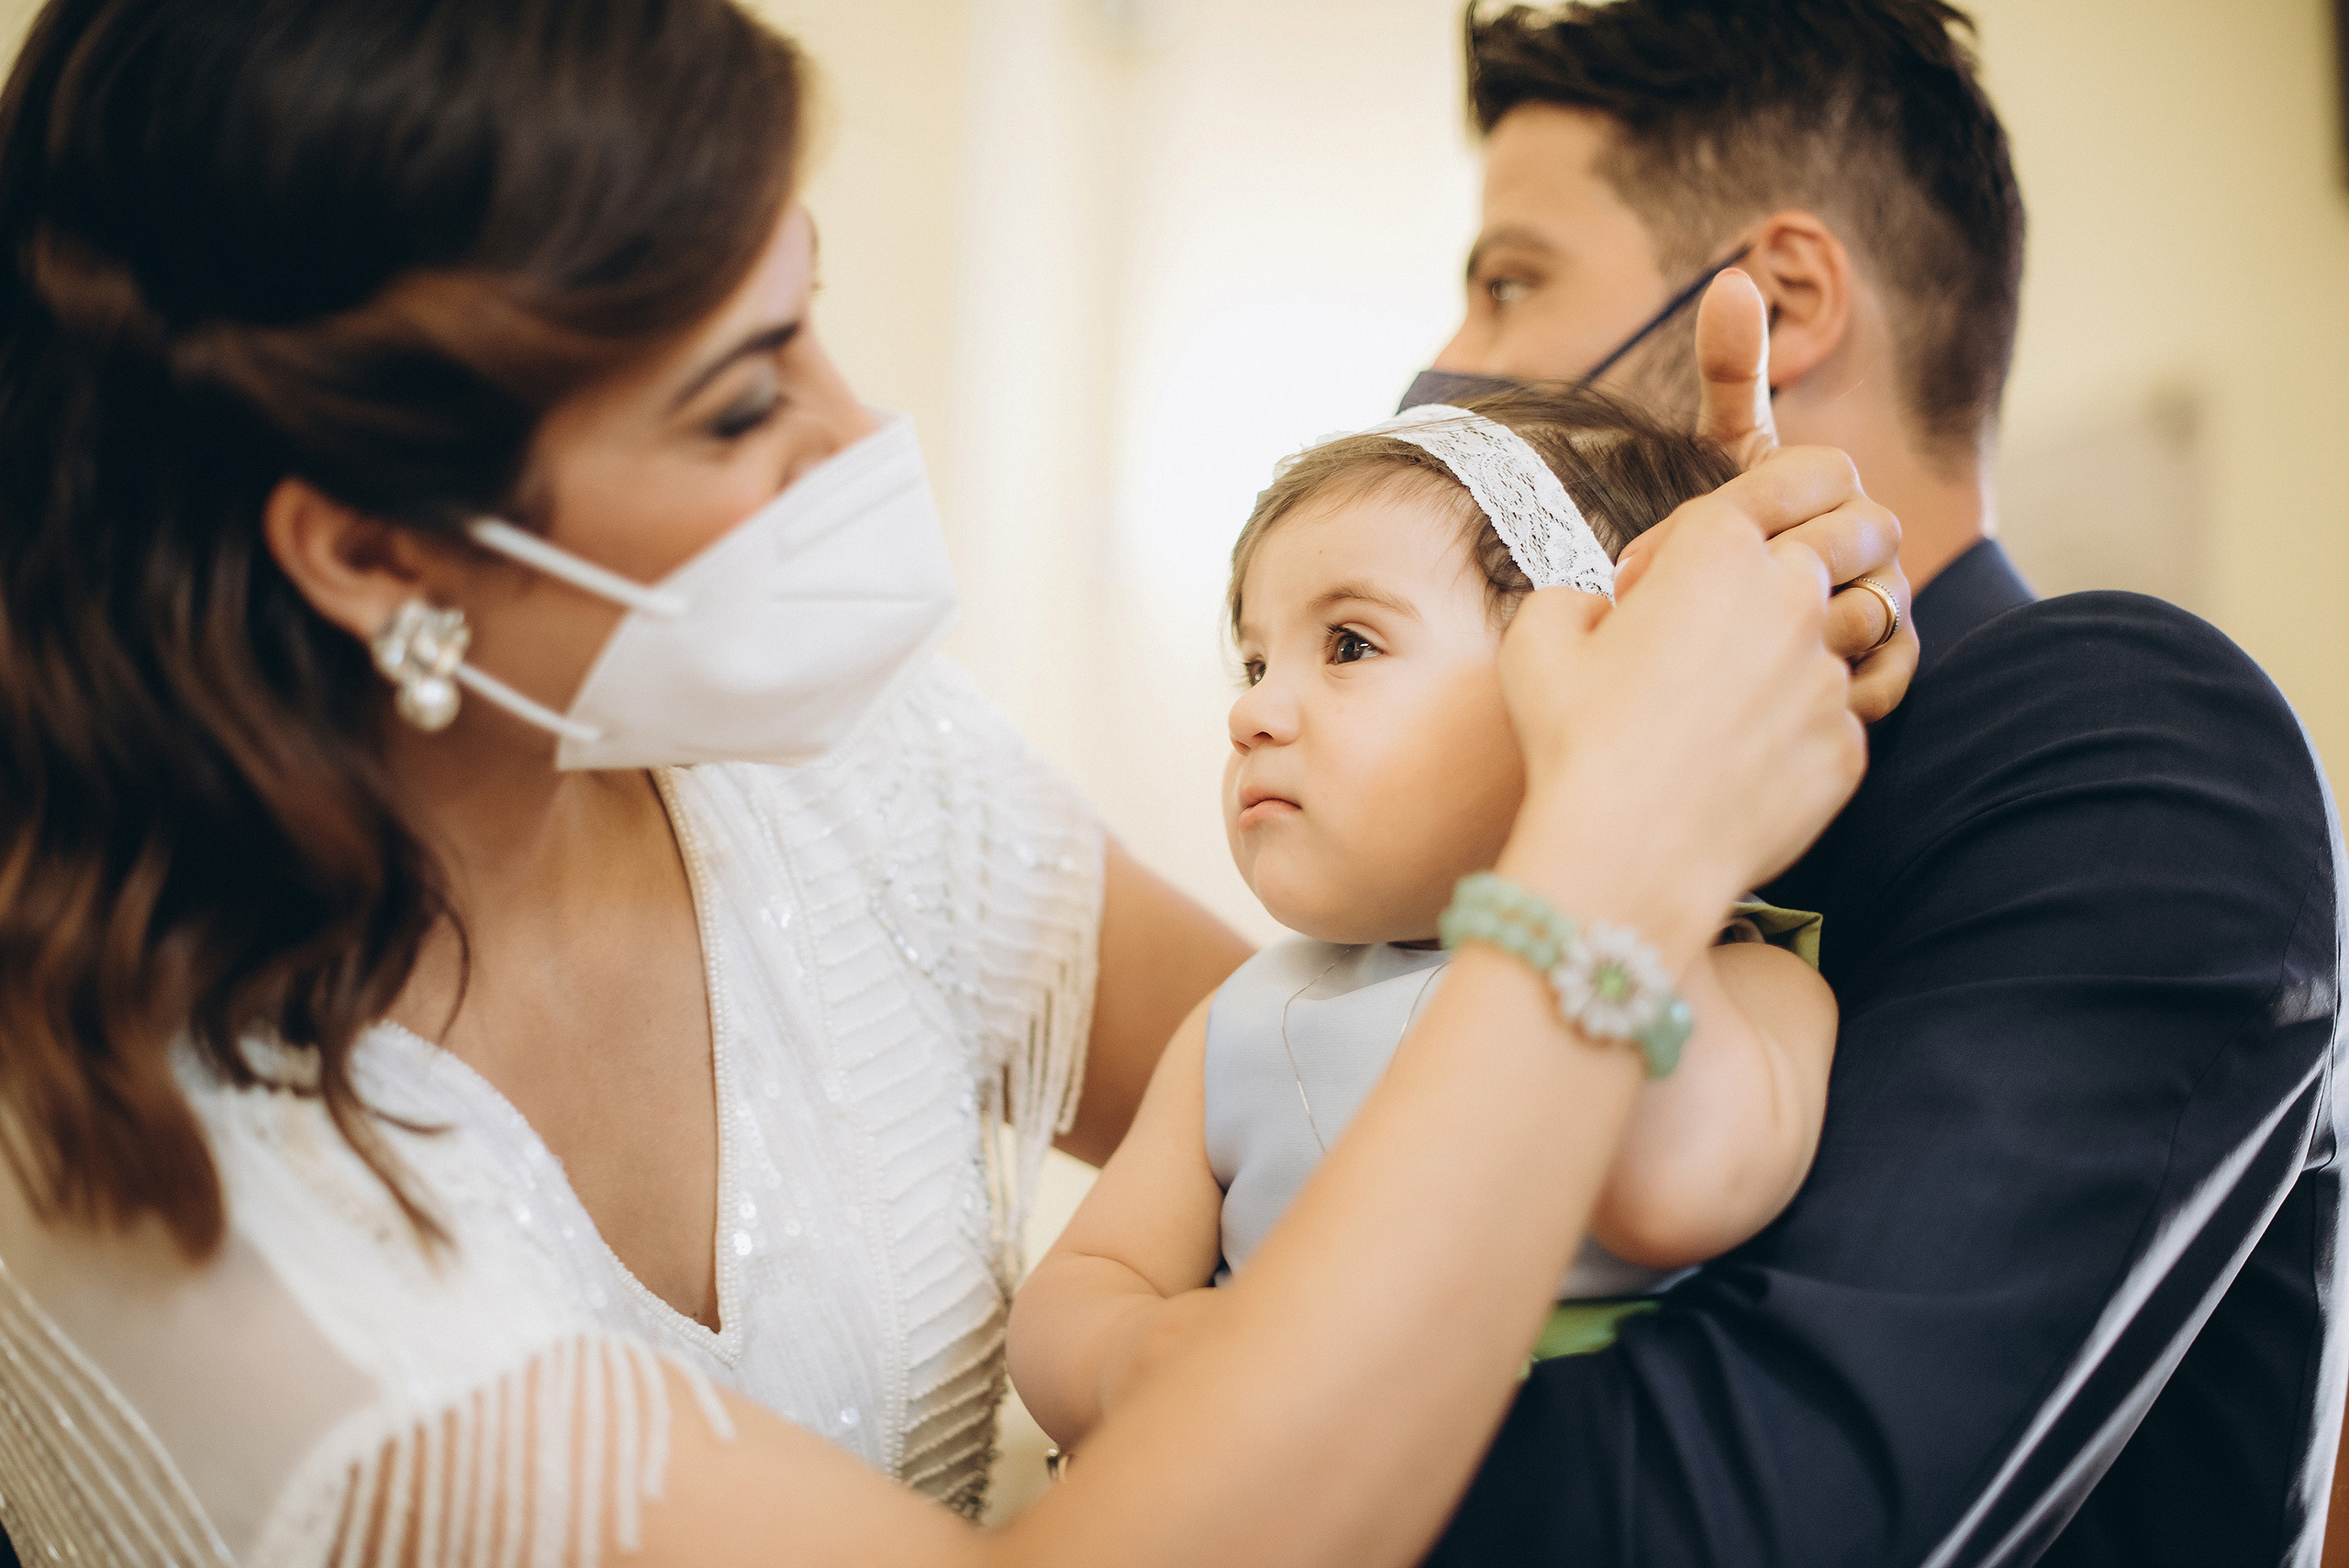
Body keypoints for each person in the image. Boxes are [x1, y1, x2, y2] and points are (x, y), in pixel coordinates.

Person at [0, 1, 1899, 1562]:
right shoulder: (197, 1216)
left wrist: (1663, 603)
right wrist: (1604, 852)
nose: (857, 434)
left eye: (808, 311)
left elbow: (1350, 1068)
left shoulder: (834, 769)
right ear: (369, 548)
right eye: (743, 398)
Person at [1406, 4, 2345, 1565]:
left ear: (1776, 302)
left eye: (1512, 281)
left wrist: (1210, 1427)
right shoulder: (1613, 765)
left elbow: (1748, 1511)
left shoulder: (2124, 738)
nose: (1451, 369)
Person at [1008, 385, 1843, 1445]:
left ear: (1599, 672)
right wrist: (1128, 1353)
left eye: (1349, 644)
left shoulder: (1736, 977)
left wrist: (1626, 792)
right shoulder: (1245, 1017)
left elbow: (1670, 1190)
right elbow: (1090, 1274)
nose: (1251, 708)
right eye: (1258, 660)